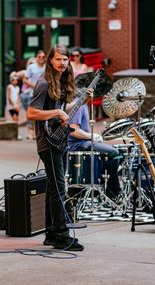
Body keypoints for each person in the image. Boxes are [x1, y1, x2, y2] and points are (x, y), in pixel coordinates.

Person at [27, 44, 84, 251]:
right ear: (50, 60)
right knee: (59, 187)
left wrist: (80, 100)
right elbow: (32, 113)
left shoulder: (61, 82)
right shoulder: (43, 83)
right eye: (58, 59)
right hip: (47, 142)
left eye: (65, 60)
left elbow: (60, 109)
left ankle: (51, 234)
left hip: (59, 139)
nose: (62, 63)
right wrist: (57, 114)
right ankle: (61, 235)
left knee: (54, 187)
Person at [67, 103, 122, 201]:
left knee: (116, 153)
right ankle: (113, 192)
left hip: (84, 142)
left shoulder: (83, 105)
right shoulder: (79, 105)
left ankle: (106, 186)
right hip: (78, 144)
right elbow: (73, 130)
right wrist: (91, 136)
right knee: (114, 153)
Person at [23, 50, 46, 139]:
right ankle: (30, 131)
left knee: (42, 113)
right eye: (39, 57)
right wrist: (34, 86)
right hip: (33, 93)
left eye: (43, 57)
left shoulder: (46, 67)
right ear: (36, 57)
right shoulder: (31, 67)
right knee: (32, 113)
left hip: (44, 93)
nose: (41, 58)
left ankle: (39, 132)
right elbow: (25, 79)